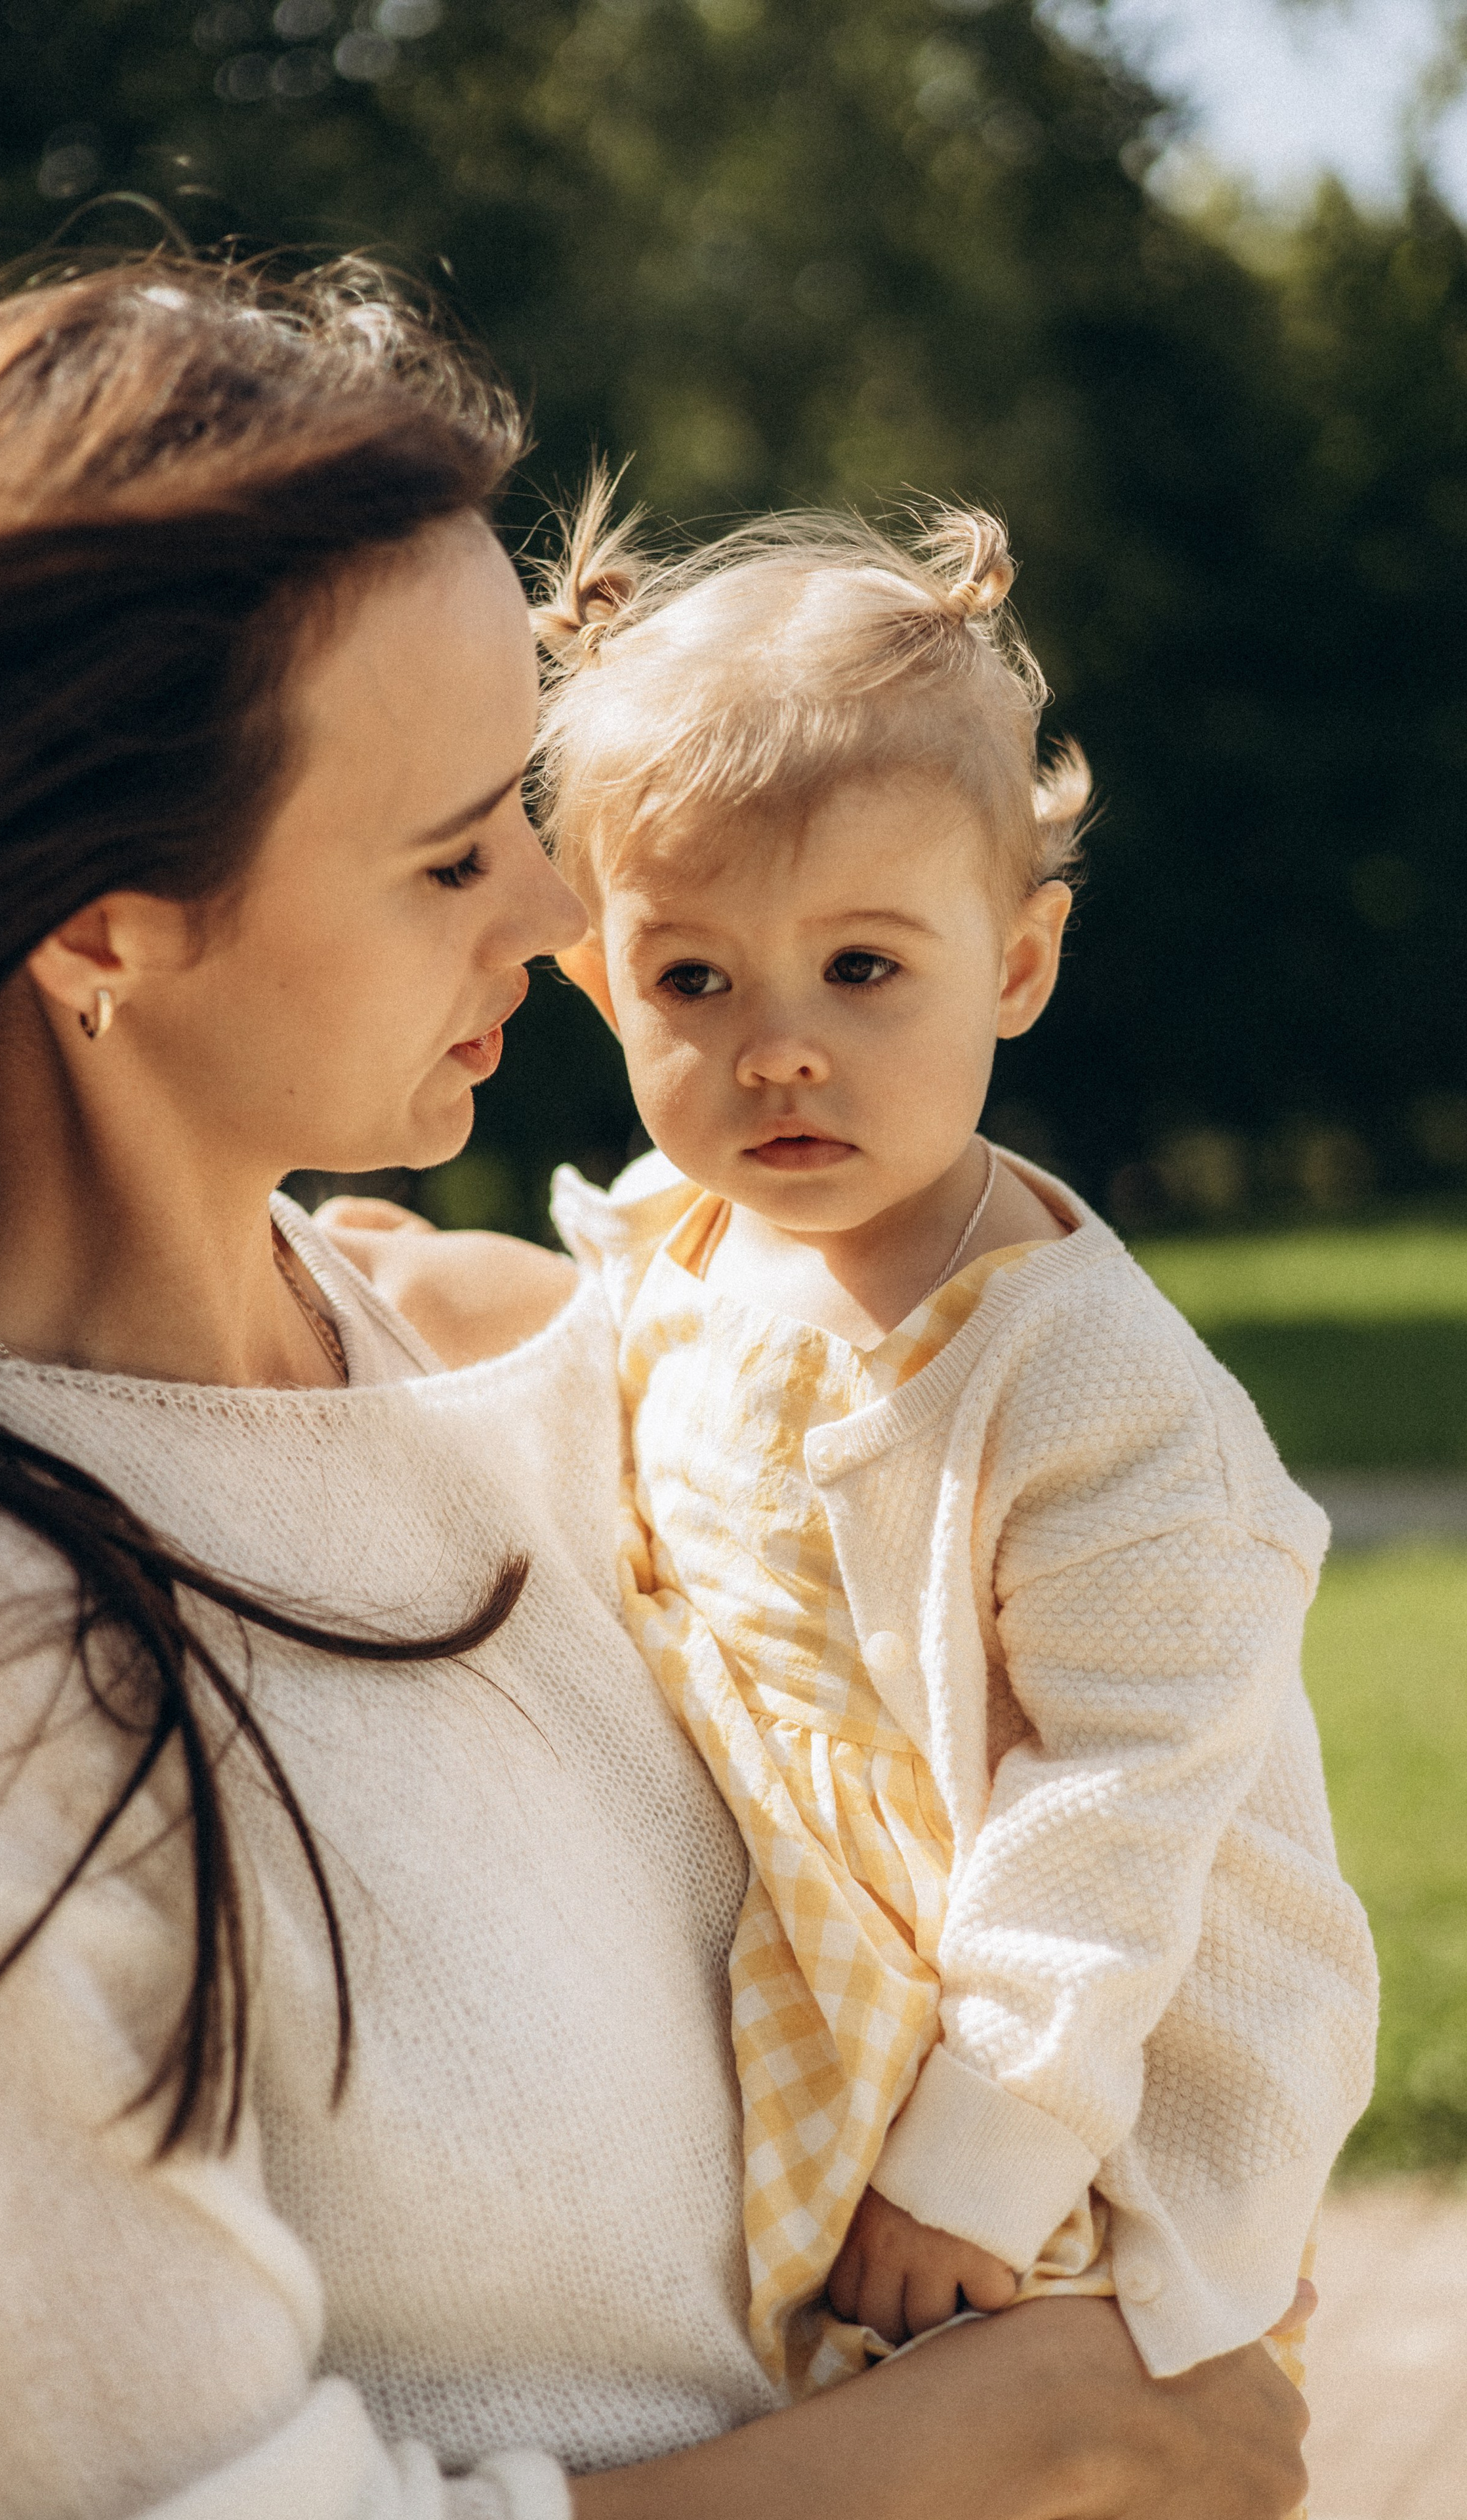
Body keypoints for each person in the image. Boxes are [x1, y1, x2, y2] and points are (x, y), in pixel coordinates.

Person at [0, 257, 1312, 2520]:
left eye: (523, 802)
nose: (553, 915)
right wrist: (1011, 2445)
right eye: (449, 851)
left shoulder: (537, 1348)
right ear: (103, 925)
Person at [480, 489, 1368, 2405]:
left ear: (1018, 969)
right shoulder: (700, 1234)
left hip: (1056, 2034)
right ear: (595, 982)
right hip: (812, 1953)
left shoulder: (1080, 1385)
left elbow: (1125, 1795)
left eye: (863, 971)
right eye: (693, 982)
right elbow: (597, 1323)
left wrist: (994, 2144)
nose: (778, 1049)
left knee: (1014, 2404)